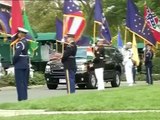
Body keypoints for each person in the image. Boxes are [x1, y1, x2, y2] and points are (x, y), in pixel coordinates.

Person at [12, 27, 29, 101]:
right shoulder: (26, 41)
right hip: (25, 63)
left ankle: (21, 98)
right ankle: (24, 97)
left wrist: (13, 62)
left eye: (18, 33)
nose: (17, 34)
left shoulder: (20, 43)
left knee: (19, 83)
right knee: (24, 82)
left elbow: (17, 55)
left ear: (21, 34)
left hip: (19, 64)